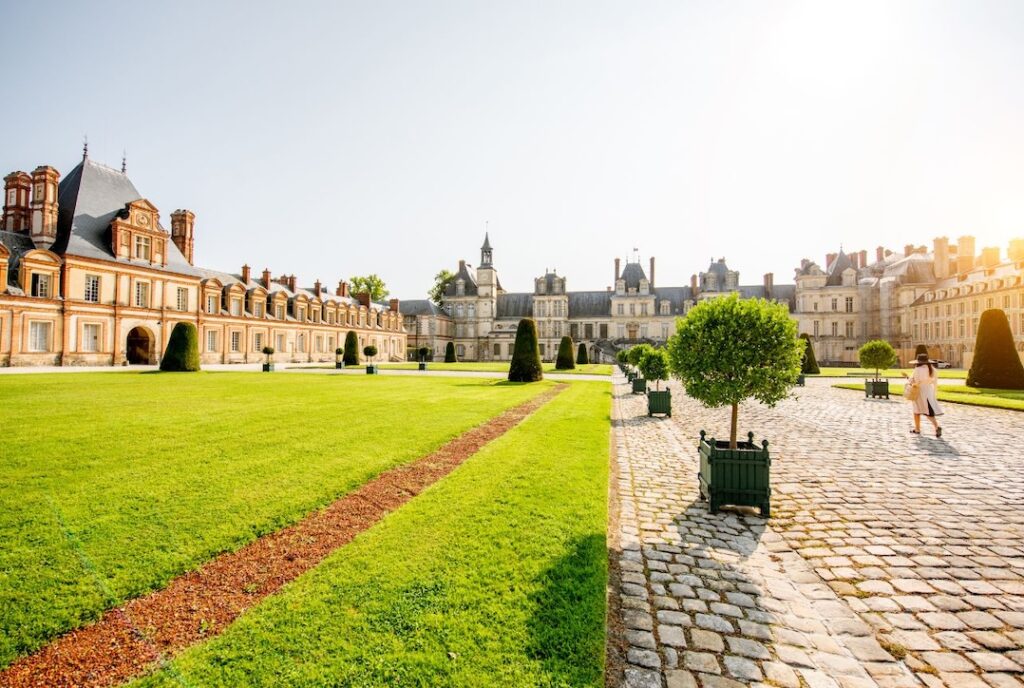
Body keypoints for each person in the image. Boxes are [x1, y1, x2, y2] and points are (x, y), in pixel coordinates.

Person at [902, 353, 944, 437]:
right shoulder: (933, 369)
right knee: (928, 411)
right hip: (929, 391)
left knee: (916, 410)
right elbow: (934, 382)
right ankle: (936, 426)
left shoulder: (917, 369)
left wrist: (906, 376)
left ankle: (917, 429)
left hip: (919, 391)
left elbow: (912, 381)